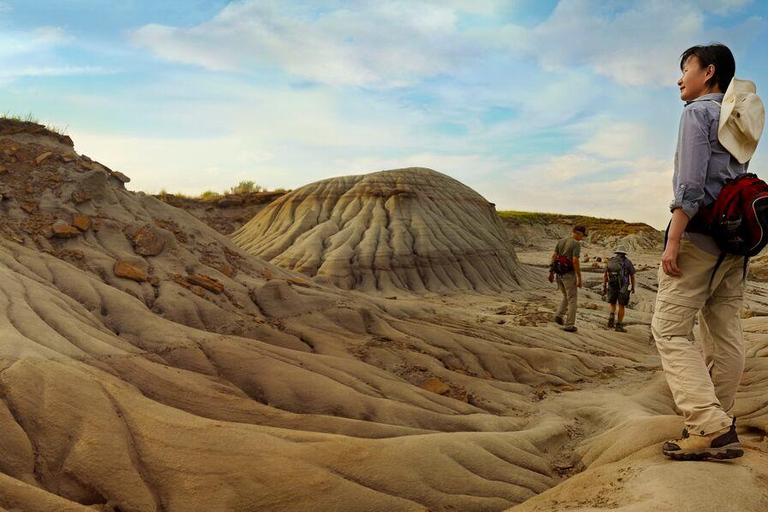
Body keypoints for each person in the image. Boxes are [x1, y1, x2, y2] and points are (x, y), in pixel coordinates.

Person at [653, 43, 764, 461]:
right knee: (724, 331)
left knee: (669, 330)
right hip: (734, 242)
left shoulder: (697, 113)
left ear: (709, 72)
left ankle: (708, 424)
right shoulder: (737, 116)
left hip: (700, 237)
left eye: (686, 69)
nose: (680, 78)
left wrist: (674, 238)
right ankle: (722, 418)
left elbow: (691, 186)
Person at [549, 225, 587, 333]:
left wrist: (550, 272)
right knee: (573, 300)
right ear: (578, 233)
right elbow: (575, 260)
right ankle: (569, 325)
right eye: (582, 236)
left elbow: (554, 256)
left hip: (559, 273)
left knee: (566, 295)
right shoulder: (576, 243)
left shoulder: (561, 241)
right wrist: (579, 277)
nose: (582, 238)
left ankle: (559, 316)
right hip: (569, 275)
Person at [602, 245, 636, 332]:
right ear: (624, 253)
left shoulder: (610, 261)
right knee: (621, 306)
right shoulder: (628, 262)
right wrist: (633, 287)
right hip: (623, 287)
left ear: (616, 252)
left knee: (612, 303)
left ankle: (612, 315)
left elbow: (605, 275)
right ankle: (619, 325)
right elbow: (632, 276)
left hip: (612, 284)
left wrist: (604, 286)